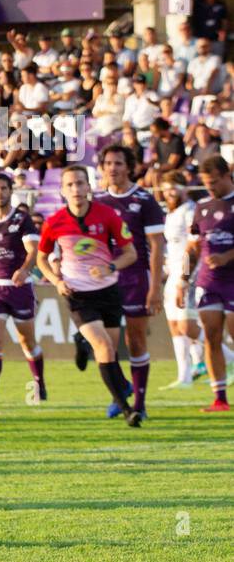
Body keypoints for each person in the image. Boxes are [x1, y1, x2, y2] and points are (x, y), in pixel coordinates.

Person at [36, 166, 143, 426]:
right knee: (105, 347)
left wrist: (110, 267)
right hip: (78, 293)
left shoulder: (108, 216)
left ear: (89, 186)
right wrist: (57, 280)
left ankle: (82, 343)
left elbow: (131, 253)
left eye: (80, 183)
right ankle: (127, 409)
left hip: (108, 291)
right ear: (62, 190)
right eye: (70, 185)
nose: (76, 189)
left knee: (110, 353)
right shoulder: (54, 222)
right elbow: (41, 258)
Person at [94, 145, 166, 417]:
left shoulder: (144, 201)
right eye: (108, 163)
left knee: (136, 340)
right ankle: (122, 388)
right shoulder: (98, 201)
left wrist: (156, 288)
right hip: (104, 281)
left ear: (129, 167)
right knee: (104, 343)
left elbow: (157, 246)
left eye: (118, 163)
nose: (112, 168)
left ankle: (140, 404)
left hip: (136, 278)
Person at [0, 173, 45, 403]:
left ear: (10, 191)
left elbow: (33, 250)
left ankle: (39, 382)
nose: (0, 192)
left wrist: (24, 270)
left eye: (4, 188)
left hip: (20, 288)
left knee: (27, 341)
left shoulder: (22, 220)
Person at [181, 156, 234, 412]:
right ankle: (220, 398)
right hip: (209, 282)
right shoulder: (201, 207)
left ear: (227, 175)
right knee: (211, 336)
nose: (210, 187)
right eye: (206, 183)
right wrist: (183, 278)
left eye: (214, 182)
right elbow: (192, 247)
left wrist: (227, 256)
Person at [159, 171, 207, 389]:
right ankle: (184, 376)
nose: (170, 192)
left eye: (174, 187)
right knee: (174, 324)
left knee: (187, 325)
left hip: (188, 271)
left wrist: (185, 277)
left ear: (185, 188)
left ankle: (228, 358)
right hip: (173, 271)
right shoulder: (171, 213)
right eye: (166, 187)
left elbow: (193, 245)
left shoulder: (190, 211)